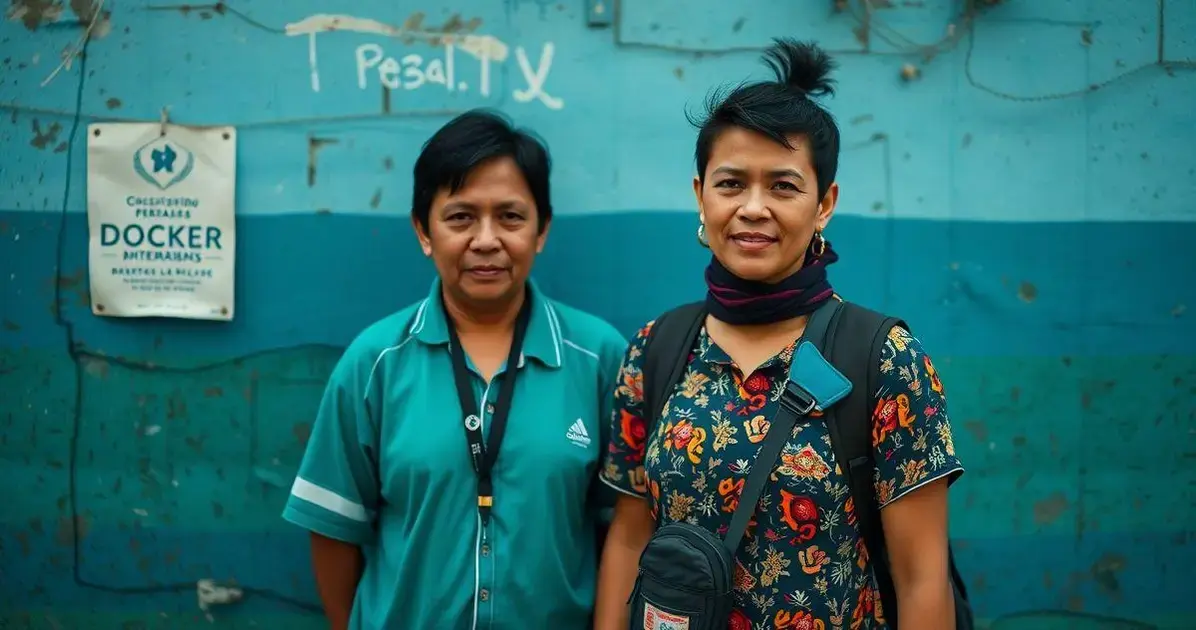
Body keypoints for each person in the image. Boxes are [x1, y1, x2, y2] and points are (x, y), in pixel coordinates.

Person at [594, 40, 965, 630]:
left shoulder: (883, 358)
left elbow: (922, 580)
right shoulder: (657, 348)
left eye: (784, 186)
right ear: (699, 195)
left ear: (824, 204)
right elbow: (628, 540)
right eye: (731, 183)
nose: (753, 207)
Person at [282, 109, 626, 630]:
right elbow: (333, 527)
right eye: (460, 217)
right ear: (424, 231)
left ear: (541, 230)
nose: (486, 240)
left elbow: (624, 529)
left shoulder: (600, 358)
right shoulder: (374, 362)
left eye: (510, 217)